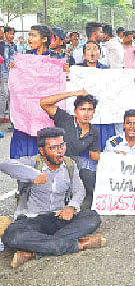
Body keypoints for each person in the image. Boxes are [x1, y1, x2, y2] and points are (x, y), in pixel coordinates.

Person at [1, 127, 105, 269]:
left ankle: (33, 252)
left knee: (92, 217)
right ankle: (80, 244)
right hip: (32, 220)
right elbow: (4, 165)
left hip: (58, 217)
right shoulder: (33, 163)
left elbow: (79, 190)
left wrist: (71, 207)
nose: (60, 151)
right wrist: (33, 175)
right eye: (54, 148)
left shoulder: (69, 165)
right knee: (13, 236)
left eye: (62, 146)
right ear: (42, 151)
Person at [9, 25, 67, 160]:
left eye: (33, 35)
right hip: (27, 115)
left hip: (46, 115)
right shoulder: (24, 59)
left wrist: (66, 71)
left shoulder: (57, 59)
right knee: (23, 152)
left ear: (44, 39)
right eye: (29, 35)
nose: (29, 38)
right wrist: (14, 69)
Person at [40, 90, 101, 209]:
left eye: (89, 109)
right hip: (53, 164)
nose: (86, 113)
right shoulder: (65, 119)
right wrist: (73, 94)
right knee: (75, 161)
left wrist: (116, 156)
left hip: (71, 168)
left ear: (93, 112)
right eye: (82, 109)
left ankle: (84, 201)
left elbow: (94, 156)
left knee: (88, 173)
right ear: (75, 111)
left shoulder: (93, 131)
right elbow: (44, 103)